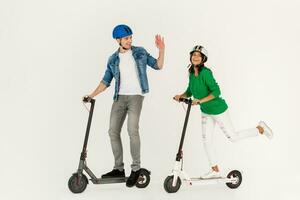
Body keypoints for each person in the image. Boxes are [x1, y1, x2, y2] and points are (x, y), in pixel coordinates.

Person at [174, 45, 273, 179]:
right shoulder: (191, 73)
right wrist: (181, 96)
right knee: (206, 141)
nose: (195, 57)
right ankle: (215, 170)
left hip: (218, 110)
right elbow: (190, 90)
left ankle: (260, 128)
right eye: (194, 54)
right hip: (206, 112)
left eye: (198, 55)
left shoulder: (206, 73)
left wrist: (201, 101)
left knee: (233, 137)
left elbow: (216, 91)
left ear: (203, 59)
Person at [84, 24, 165, 187]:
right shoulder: (113, 59)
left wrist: (161, 50)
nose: (129, 40)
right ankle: (118, 168)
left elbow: (158, 65)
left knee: (132, 130)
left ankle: (136, 168)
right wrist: (91, 95)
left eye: (130, 37)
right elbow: (105, 81)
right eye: (126, 38)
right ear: (118, 40)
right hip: (119, 98)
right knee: (113, 131)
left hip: (136, 96)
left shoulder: (140, 52)